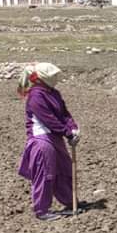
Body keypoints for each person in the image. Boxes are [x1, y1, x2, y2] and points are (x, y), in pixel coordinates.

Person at [16, 63, 80, 221]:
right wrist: (67, 133)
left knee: (63, 167)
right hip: (42, 139)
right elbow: (49, 119)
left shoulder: (54, 93)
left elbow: (64, 113)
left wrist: (73, 127)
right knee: (46, 173)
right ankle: (42, 209)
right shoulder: (36, 96)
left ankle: (70, 202)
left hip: (55, 137)